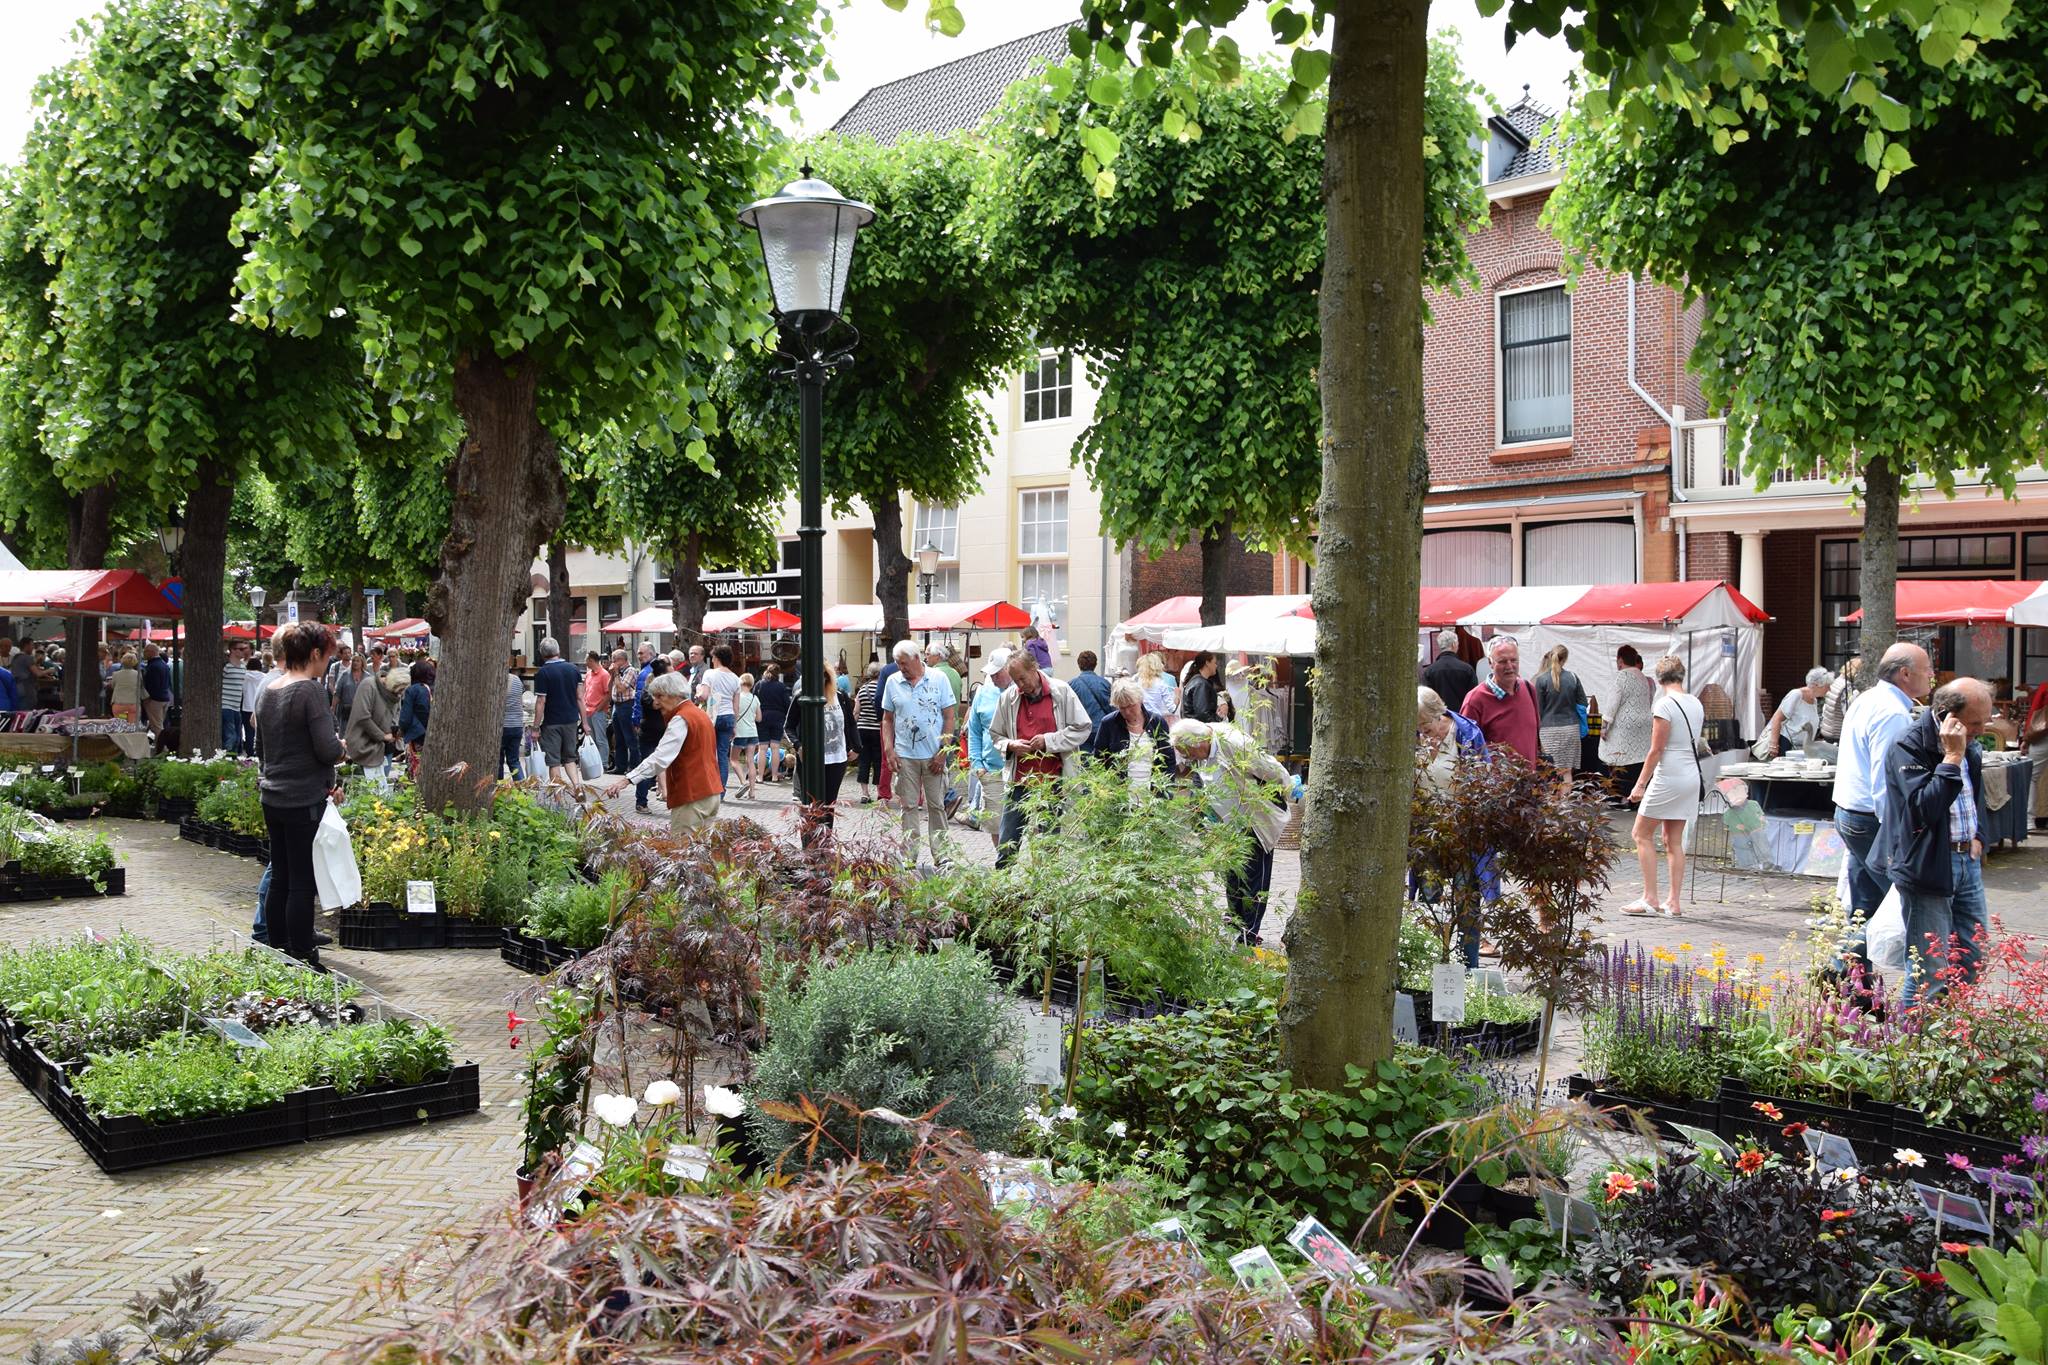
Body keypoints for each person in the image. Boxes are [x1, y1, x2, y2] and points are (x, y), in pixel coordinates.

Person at [1881, 677, 1994, 1008]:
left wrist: (1979, 837)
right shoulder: (1908, 745)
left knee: (1973, 957)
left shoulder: (1971, 745)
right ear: (1947, 715)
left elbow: (1976, 796)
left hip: (1966, 863)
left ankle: (1949, 1031)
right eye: (1975, 722)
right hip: (1928, 865)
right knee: (1928, 971)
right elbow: (1922, 809)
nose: (1981, 730)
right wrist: (1951, 757)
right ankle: (1909, 1051)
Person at [1832, 643, 1935, 963]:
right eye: (1927, 670)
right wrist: (1899, 832)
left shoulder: (1868, 698)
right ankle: (1842, 970)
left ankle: (1847, 980)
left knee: (1865, 906)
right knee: (1902, 903)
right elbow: (1885, 779)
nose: (1932, 676)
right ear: (1905, 674)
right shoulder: (1892, 713)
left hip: (1849, 810)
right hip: (1869, 819)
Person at [254, 622, 344, 967]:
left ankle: (277, 948)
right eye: (326, 657)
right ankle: (303, 952)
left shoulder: (269, 689)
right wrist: (341, 749)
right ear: (315, 654)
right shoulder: (309, 691)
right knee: (303, 880)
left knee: (281, 875)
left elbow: (260, 747)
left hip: (272, 796)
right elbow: (326, 749)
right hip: (303, 798)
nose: (326, 664)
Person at [1170, 717, 1291, 944]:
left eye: (1189, 753)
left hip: (1255, 820)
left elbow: (1271, 770)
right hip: (1228, 823)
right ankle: (1236, 922)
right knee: (1233, 874)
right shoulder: (1203, 744)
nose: (1188, 759)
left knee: (1254, 877)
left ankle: (1249, 934)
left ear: (1199, 743)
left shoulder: (1233, 743)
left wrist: (1287, 792)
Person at [988, 649, 1093, 865]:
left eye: (1022, 679)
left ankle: (1044, 892)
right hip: (1020, 781)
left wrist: (1049, 741)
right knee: (1008, 842)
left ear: (1034, 669)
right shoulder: (1009, 697)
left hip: (1052, 782)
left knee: (1048, 844)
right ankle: (1002, 892)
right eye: (1015, 680)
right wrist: (1010, 745)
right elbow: (995, 734)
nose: (1020, 685)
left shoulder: (1061, 691)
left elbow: (1083, 727)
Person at [1625, 655, 1707, 917]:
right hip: (1691, 774)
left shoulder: (1664, 704)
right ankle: (1674, 902)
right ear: (1681, 675)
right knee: (1673, 840)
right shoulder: (1695, 702)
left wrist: (1639, 785)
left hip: (1669, 774)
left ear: (1659, 679)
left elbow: (1656, 750)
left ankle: (1650, 898)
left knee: (1641, 833)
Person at [1416, 685, 1492, 967]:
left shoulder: (1466, 735)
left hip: (1462, 834)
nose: (1422, 733)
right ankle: (1427, 967)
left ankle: (1468, 968)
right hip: (1427, 834)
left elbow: (1484, 785)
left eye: (1425, 725)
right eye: (1417, 728)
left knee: (1465, 902)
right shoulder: (1416, 737)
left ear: (1440, 714)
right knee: (1428, 900)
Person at [602, 672, 722, 834]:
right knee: (702, 852)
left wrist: (627, 780)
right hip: (711, 793)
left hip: (692, 795)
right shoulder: (700, 714)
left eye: (659, 696)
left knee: (682, 851)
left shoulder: (681, 718)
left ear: (674, 694)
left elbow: (660, 757)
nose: (656, 703)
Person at [880, 638, 957, 869]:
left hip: (934, 755)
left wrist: (944, 751)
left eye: (904, 663)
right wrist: (889, 750)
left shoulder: (939, 678)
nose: (901, 668)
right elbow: (887, 719)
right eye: (897, 663)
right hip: (905, 756)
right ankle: (909, 855)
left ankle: (942, 854)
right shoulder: (893, 682)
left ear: (916, 659)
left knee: (937, 806)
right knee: (908, 806)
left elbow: (950, 717)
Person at [1084, 675, 1178, 793]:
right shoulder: (1109, 724)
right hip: (1119, 795)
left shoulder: (1156, 722)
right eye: (1122, 708)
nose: (1127, 712)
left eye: (1131, 705)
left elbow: (1168, 759)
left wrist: (1166, 791)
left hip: (1152, 795)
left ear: (1140, 699)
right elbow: (1098, 760)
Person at [1460, 637, 1540, 764]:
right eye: (1502, 661)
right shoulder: (1475, 700)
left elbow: (1535, 738)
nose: (1509, 666)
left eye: (1513, 660)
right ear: (1490, 663)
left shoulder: (1528, 689)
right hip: (1498, 782)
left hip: (1531, 780)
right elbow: (1467, 750)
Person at [964, 648, 1012, 829]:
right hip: (991, 769)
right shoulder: (983, 692)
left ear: (1010, 668)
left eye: (997, 673)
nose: (993, 677)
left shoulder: (1022, 691)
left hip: (1020, 771)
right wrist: (977, 763)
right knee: (994, 824)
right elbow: (974, 731)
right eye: (990, 673)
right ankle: (1001, 857)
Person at [1601, 644, 1655, 803]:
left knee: (1618, 758)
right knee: (1638, 759)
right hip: (1644, 724)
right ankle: (1637, 796)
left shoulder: (1621, 677)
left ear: (1620, 660)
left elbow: (1612, 704)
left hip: (1624, 725)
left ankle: (1620, 797)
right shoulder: (1643, 678)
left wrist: (1604, 727)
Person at [532, 636, 584, 787]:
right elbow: (580, 697)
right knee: (570, 759)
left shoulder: (543, 673)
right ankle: (577, 787)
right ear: (558, 651)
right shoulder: (573, 669)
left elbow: (541, 701)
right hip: (571, 721)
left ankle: (558, 799)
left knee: (554, 762)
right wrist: (585, 722)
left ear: (542, 654)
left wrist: (535, 728)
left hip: (552, 723)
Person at [1531, 645, 1587, 783]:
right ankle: (1566, 803)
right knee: (1567, 771)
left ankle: (1553, 803)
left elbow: (1538, 710)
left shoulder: (1541, 679)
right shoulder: (1573, 677)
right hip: (1571, 728)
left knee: (1549, 771)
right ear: (1565, 659)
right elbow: (1583, 704)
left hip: (1548, 729)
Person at [1759, 667, 1834, 758]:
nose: (1829, 689)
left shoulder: (1814, 700)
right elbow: (1777, 718)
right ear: (1817, 685)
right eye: (1827, 686)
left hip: (1801, 748)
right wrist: (1773, 745)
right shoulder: (1796, 695)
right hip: (1785, 745)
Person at [347, 666, 404, 778]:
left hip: (386, 746)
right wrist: (382, 736)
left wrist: (395, 731)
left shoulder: (395, 693)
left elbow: (397, 712)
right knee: (367, 788)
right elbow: (363, 717)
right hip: (365, 746)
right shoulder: (369, 685)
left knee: (382, 788)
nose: (398, 694)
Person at [698, 644, 741, 792]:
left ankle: (707, 788)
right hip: (728, 716)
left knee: (707, 753)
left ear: (716, 658)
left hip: (712, 717)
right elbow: (736, 706)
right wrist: (734, 725)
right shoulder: (736, 678)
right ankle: (720, 791)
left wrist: (698, 693)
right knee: (722, 755)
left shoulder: (709, 674)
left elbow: (703, 696)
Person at [633, 656, 671, 811]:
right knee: (647, 767)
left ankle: (667, 794)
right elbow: (656, 705)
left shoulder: (665, 692)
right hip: (649, 734)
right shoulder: (647, 694)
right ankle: (641, 801)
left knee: (666, 765)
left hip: (663, 733)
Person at [1422, 629, 1479, 714]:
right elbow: (1474, 696)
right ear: (1453, 645)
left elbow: (1426, 697)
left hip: (1439, 717)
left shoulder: (1429, 671)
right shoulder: (1467, 669)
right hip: (1462, 716)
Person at [755, 662, 790, 784]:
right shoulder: (781, 687)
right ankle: (775, 776)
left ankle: (760, 776)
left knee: (762, 748)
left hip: (762, 717)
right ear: (778, 673)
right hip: (778, 718)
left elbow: (754, 700)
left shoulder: (759, 685)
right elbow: (787, 704)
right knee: (775, 747)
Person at [854, 662, 883, 802]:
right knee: (878, 761)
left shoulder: (862, 689)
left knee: (864, 760)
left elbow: (856, 712)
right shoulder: (883, 689)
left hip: (862, 729)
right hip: (878, 730)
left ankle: (865, 793)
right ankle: (879, 792)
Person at [1819, 656, 1865, 745]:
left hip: (1826, 731)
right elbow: (1849, 714)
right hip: (1837, 735)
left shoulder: (1835, 682)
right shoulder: (1847, 688)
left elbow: (1825, 708)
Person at [609, 647, 638, 775]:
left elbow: (621, 688)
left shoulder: (630, 671)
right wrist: (612, 675)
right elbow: (610, 687)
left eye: (613, 661)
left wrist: (615, 673)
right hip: (617, 705)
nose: (612, 664)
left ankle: (634, 766)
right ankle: (620, 766)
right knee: (618, 738)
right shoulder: (617, 672)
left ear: (621, 660)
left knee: (629, 737)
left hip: (627, 705)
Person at [397, 657, 433, 764]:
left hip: (417, 733)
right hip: (433, 733)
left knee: (417, 764)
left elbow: (406, 716)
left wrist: (402, 729)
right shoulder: (434, 688)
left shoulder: (413, 690)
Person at [582, 649, 612, 772]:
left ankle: (603, 763)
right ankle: (594, 762)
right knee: (592, 738)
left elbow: (608, 693)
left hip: (598, 711)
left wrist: (599, 708)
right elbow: (586, 690)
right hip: (588, 710)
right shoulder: (589, 674)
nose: (585, 663)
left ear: (591, 660)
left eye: (586, 660)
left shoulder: (604, 675)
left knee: (600, 738)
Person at [731, 672, 760, 798]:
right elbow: (759, 718)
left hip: (739, 732)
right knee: (750, 761)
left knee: (733, 759)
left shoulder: (737, 697)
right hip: (753, 733)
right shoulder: (755, 698)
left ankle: (743, 782)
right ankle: (752, 792)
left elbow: (734, 714)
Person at [502, 654, 527, 779]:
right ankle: (522, 791)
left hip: (503, 726)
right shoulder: (516, 680)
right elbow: (520, 701)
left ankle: (498, 791)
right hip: (516, 725)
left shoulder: (497, 681)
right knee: (514, 761)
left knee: (498, 762)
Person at [1070, 649, 1112, 724]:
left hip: (1081, 728)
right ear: (1095, 664)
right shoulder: (1105, 683)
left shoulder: (1071, 685)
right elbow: (1111, 708)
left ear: (1079, 665)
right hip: (1101, 727)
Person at [1134, 650, 1179, 722]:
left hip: (1140, 719)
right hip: (1156, 720)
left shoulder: (1136, 681)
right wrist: (1177, 696)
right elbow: (1172, 709)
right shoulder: (1160, 683)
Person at [331, 649, 365, 740]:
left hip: (362, 712)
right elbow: (337, 693)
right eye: (353, 660)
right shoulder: (345, 675)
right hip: (346, 711)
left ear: (362, 663)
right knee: (345, 736)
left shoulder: (368, 677)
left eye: (358, 661)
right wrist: (333, 708)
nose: (355, 663)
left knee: (360, 736)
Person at [221, 643, 248, 755]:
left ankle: (233, 761)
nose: (243, 651)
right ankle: (227, 760)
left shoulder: (243, 667)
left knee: (238, 737)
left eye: (244, 649)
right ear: (232, 650)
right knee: (230, 737)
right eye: (241, 649)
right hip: (226, 705)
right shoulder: (226, 667)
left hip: (237, 707)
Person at [1181, 651, 1222, 724]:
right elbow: (1202, 713)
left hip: (1192, 726)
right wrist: (1217, 720)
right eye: (1214, 663)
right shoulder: (1201, 684)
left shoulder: (1196, 681)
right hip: (1199, 728)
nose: (1216, 666)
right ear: (1207, 663)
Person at [141, 643, 172, 734]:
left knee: (157, 727)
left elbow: (152, 685)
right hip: (165, 697)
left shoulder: (152, 667)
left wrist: (147, 698)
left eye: (145, 651)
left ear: (151, 652)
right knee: (158, 724)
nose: (144, 654)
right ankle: (158, 744)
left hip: (155, 700)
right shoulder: (164, 665)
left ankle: (162, 747)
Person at [926, 644, 964, 714]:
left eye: (928, 654)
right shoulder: (955, 673)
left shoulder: (932, 674)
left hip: (939, 722)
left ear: (938, 656)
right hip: (954, 721)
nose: (926, 658)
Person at [108, 650, 143, 723]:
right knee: (132, 725)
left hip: (119, 704)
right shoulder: (138, 674)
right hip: (133, 704)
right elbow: (140, 686)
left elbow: (112, 686)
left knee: (121, 724)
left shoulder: (116, 674)